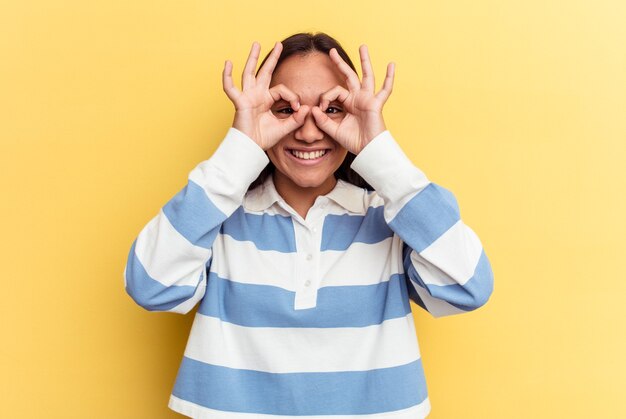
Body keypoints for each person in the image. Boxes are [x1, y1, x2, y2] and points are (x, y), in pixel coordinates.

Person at [124, 32, 494, 419]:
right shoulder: (216, 216)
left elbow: (467, 288)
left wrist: (378, 148)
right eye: (286, 108)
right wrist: (238, 149)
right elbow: (151, 286)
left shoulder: (392, 216)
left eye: (332, 109)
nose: (309, 131)